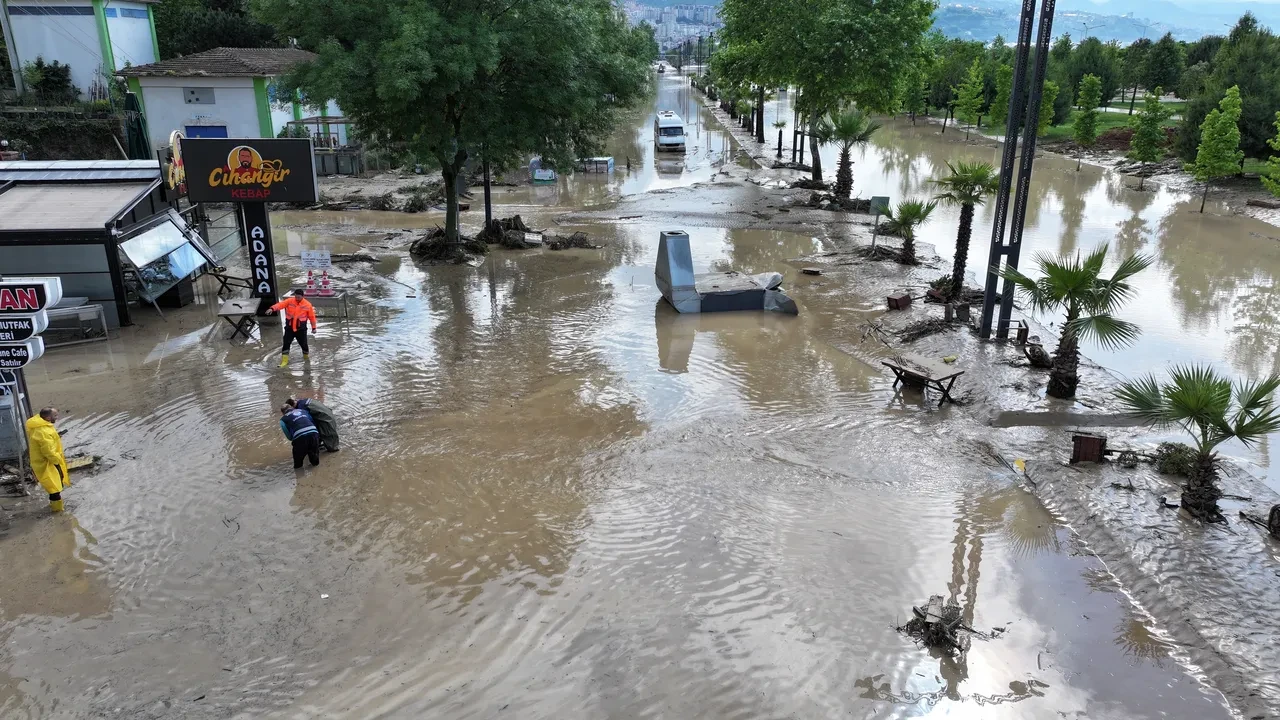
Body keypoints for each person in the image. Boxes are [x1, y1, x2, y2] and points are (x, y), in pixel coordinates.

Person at [25, 407, 70, 513]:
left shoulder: (40, 425)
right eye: (55, 416)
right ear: (48, 417)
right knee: (55, 488)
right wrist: (58, 460)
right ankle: (58, 511)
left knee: (52, 485)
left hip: (42, 462)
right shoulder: (43, 431)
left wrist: (56, 437)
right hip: (47, 463)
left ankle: (54, 505)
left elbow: (46, 443)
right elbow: (48, 451)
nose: (57, 417)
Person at [268, 294, 317, 368]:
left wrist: (314, 328)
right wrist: (272, 308)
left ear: (302, 296)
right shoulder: (289, 301)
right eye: (296, 297)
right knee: (286, 343)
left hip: (301, 330)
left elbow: (312, 317)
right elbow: (280, 305)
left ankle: (306, 357)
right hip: (289, 329)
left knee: (304, 344)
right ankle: (284, 361)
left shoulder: (307, 304)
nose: (297, 298)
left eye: (299, 297)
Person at [280, 403, 320, 468]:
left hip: (300, 437)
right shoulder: (303, 411)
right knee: (314, 459)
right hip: (314, 433)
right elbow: (312, 421)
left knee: (298, 463)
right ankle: (316, 472)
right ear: (292, 408)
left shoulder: (283, 420)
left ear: (283, 413)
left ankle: (299, 475)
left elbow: (289, 436)